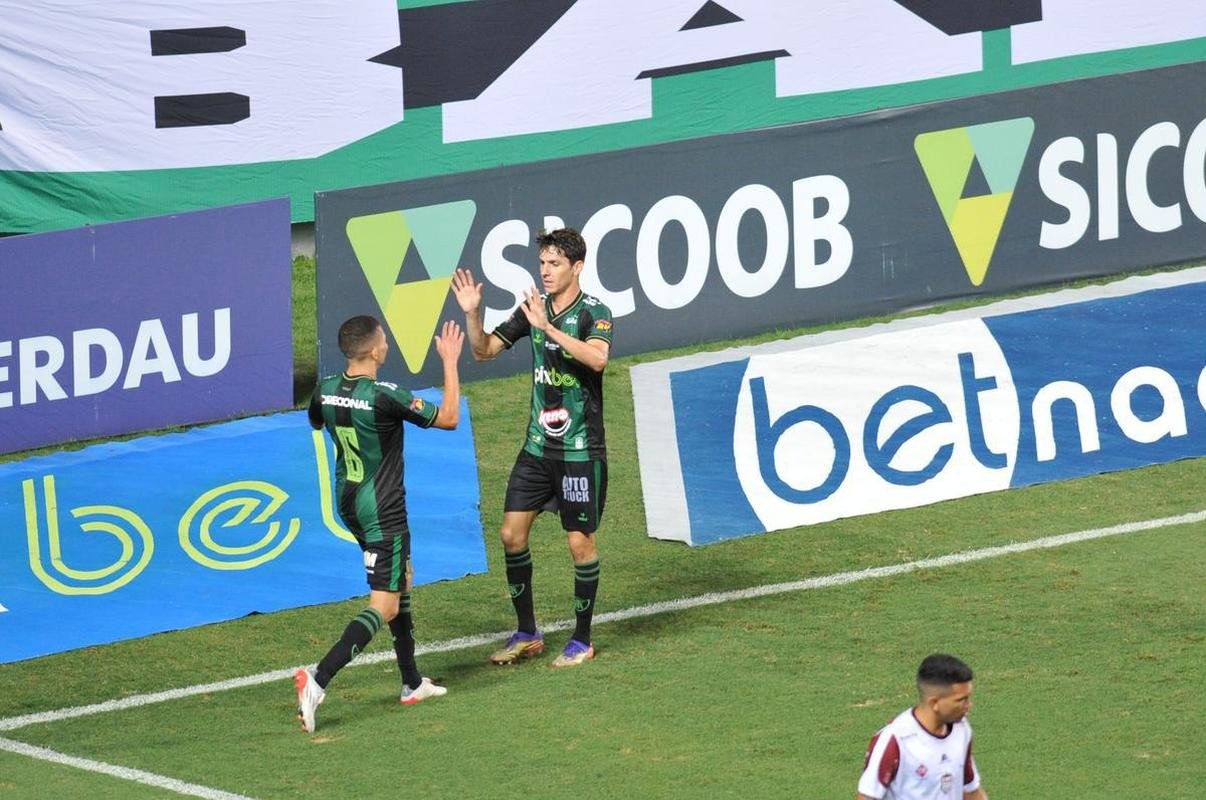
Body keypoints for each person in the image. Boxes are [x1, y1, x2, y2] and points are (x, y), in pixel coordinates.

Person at [293, 315, 464, 733]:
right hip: (382, 509)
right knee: (384, 603)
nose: (387, 342)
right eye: (384, 338)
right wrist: (450, 361)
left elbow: (316, 422)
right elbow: (449, 418)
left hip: (348, 502)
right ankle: (318, 680)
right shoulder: (386, 396)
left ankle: (410, 682)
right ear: (373, 351)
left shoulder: (326, 389)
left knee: (400, 577)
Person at [451, 227, 612, 668]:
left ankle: (582, 640)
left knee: (580, 544)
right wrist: (473, 312)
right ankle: (527, 632)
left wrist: (548, 329)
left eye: (554, 264)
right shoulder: (530, 311)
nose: (545, 271)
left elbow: (598, 358)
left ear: (577, 267)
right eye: (542, 263)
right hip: (537, 449)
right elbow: (483, 351)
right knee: (510, 534)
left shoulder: (594, 312)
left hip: (579, 452)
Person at [857, 653, 988, 800]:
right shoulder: (896, 739)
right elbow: (867, 797)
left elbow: (970, 791)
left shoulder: (961, 729)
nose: (969, 705)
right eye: (961, 700)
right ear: (934, 703)